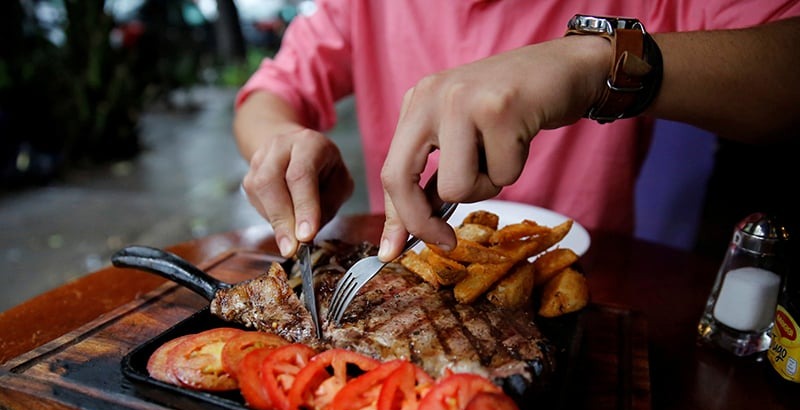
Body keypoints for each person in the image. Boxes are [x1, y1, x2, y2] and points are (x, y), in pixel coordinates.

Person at [232, 1, 800, 262]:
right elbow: (268, 94)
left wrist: (594, 65)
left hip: (596, 277)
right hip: (409, 259)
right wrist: (279, 142)